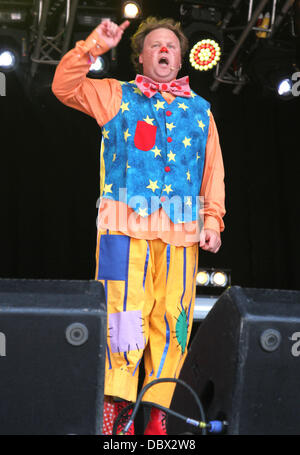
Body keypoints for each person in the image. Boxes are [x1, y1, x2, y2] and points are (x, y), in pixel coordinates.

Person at [52, 16, 225, 435]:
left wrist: (213, 219)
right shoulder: (114, 94)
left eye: (171, 45)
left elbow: (212, 169)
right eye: (155, 44)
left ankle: (156, 412)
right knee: (123, 316)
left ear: (180, 58)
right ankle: (118, 407)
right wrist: (93, 45)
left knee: (173, 320)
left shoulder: (200, 110)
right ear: (142, 55)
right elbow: (63, 87)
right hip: (121, 228)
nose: (164, 50)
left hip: (182, 231)